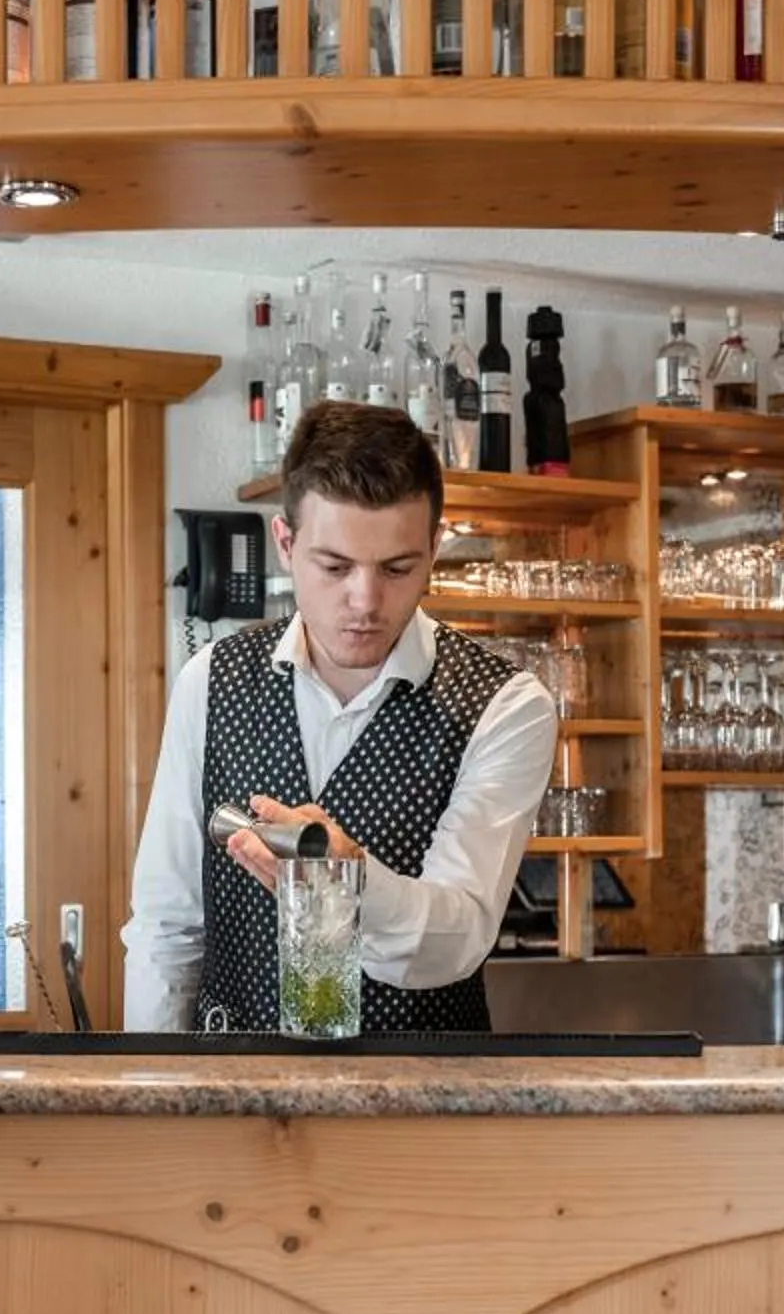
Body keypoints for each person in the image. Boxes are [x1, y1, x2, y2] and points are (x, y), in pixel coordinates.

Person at [123, 401, 558, 1033]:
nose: (365, 600)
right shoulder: (211, 681)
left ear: (434, 547)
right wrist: (152, 1101)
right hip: (233, 1097)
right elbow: (168, 926)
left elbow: (459, 935)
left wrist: (349, 884)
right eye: (334, 567)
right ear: (285, 543)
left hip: (416, 1101)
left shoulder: (504, 706)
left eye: (397, 568)